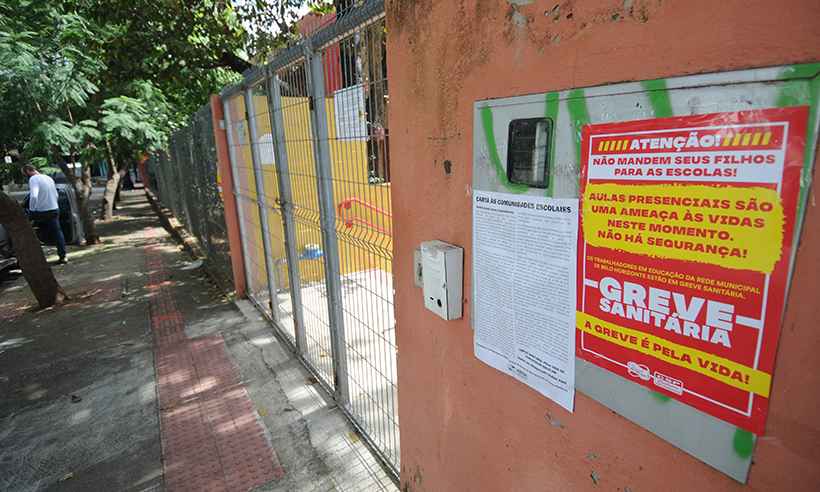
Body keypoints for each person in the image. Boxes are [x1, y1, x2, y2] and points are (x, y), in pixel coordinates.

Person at [22, 164, 67, 264]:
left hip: (41, 212)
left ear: (28, 172)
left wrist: (32, 210)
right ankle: (63, 256)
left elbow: (33, 196)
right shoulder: (48, 178)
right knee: (58, 233)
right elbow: (56, 194)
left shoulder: (33, 179)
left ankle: (30, 256)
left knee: (24, 229)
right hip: (54, 209)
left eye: (25, 175)